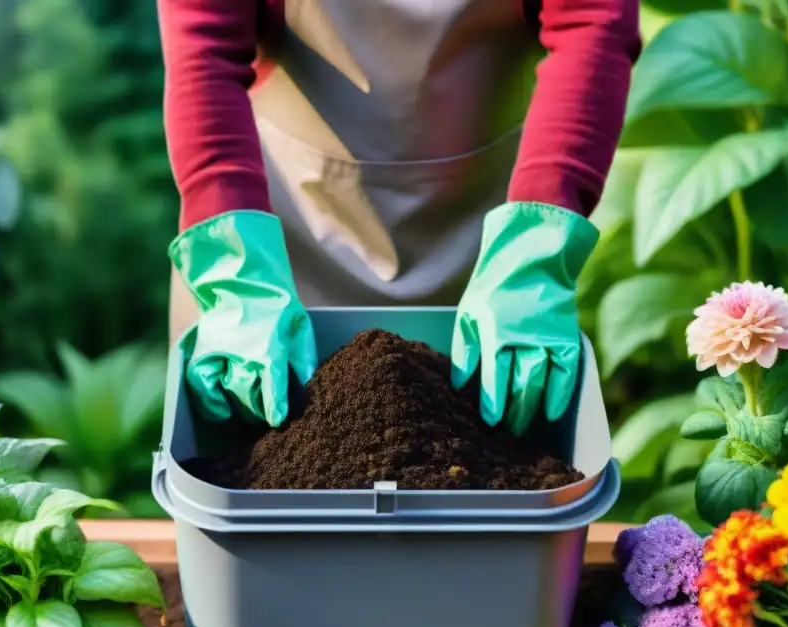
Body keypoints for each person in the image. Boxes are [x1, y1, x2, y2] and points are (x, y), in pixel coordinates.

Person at [158, 0, 640, 437]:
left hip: (493, 250)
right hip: (274, 250)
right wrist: (236, 274)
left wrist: (535, 251)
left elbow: (592, 20)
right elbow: (205, 48)